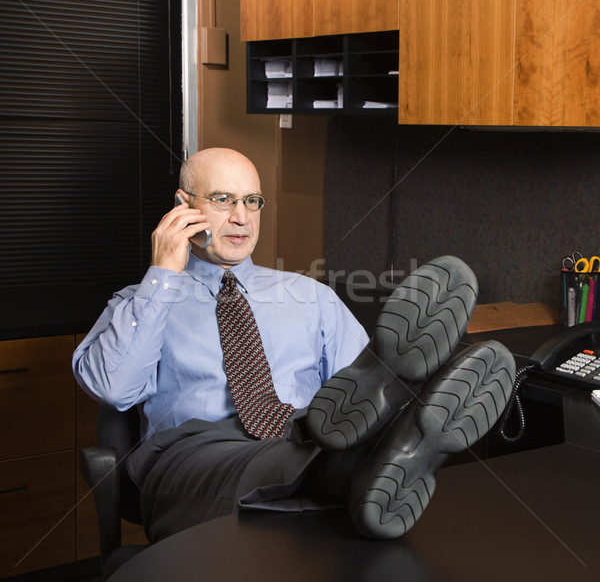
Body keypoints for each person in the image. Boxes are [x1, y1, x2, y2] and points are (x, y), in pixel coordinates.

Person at [73, 147, 515, 543]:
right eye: (223, 200)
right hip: (189, 458)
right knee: (323, 447)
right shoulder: (140, 302)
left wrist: (364, 415)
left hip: (303, 433)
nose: (242, 217)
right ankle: (365, 463)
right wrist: (165, 272)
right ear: (183, 207)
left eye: (252, 201)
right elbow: (114, 388)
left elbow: (356, 406)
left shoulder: (309, 296)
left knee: (339, 425)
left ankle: (377, 439)